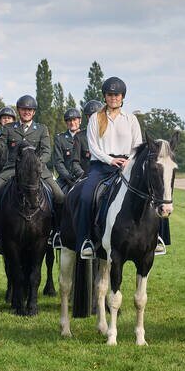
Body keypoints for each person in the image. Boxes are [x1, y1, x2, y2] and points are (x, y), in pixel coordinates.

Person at [74, 77, 143, 260]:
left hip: (127, 165)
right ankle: (85, 241)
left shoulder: (131, 119)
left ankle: (157, 238)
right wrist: (110, 160)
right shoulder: (96, 119)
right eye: (110, 94)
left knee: (151, 194)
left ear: (122, 97)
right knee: (86, 196)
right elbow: (93, 146)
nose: (113, 98)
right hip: (101, 166)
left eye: (116, 95)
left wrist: (129, 161)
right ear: (105, 96)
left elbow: (138, 145)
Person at [0, 94, 64, 234]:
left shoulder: (42, 129)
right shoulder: (8, 128)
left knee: (60, 196)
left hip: (38, 170)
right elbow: (1, 149)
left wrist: (36, 165)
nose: (27, 112)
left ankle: (56, 232)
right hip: (12, 169)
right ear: (18, 110)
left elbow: (46, 151)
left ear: (34, 112)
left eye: (30, 110)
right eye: (24, 109)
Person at [53, 108, 85, 192]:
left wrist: (84, 176)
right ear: (66, 123)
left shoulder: (87, 137)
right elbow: (58, 162)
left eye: (74, 119)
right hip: (66, 179)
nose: (72, 123)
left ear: (80, 121)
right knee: (57, 197)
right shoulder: (60, 139)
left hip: (85, 177)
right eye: (69, 120)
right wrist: (67, 177)